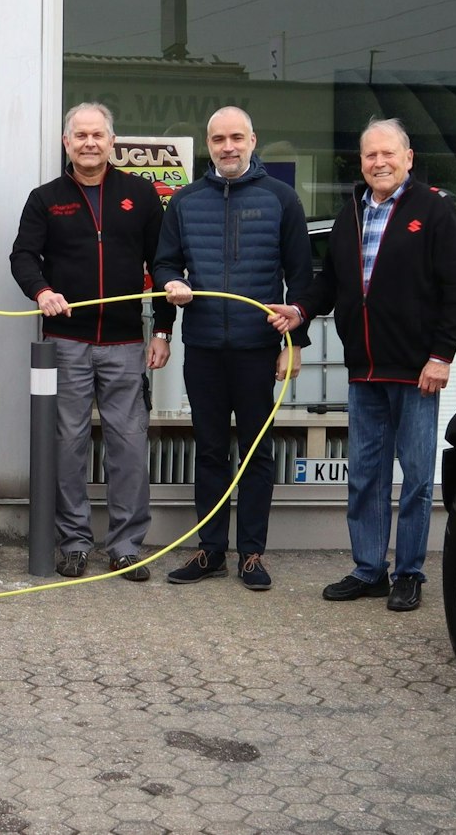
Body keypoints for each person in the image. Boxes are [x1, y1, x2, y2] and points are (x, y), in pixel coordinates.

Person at [287, 118, 456, 613]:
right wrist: (301, 310)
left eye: (388, 153)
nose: (379, 162)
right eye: (370, 155)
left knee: (416, 477)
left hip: (417, 371)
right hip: (364, 371)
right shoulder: (351, 213)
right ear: (361, 162)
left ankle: (409, 572)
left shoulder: (434, 211)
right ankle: (369, 569)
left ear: (408, 158)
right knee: (366, 475)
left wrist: (442, 356)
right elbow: (329, 281)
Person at [10, 102, 176, 582]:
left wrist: (162, 330)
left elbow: (165, 265)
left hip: (125, 344)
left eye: (97, 135)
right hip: (67, 342)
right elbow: (23, 256)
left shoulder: (140, 195)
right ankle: (75, 544)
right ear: (67, 143)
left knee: (128, 444)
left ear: (111, 141)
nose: (89, 143)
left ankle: (126, 546)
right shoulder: (46, 199)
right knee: (68, 446)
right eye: (80, 135)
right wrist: (42, 291)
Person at [152, 107, 312, 591]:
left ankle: (253, 555)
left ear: (252, 140)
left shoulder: (281, 199)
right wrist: (172, 284)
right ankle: (210, 551)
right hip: (202, 348)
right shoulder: (185, 201)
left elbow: (301, 276)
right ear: (209, 144)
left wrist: (295, 344)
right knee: (211, 451)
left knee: (256, 452)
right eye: (219, 139)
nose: (227, 146)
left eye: (236, 137)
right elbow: (163, 265)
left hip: (257, 347)